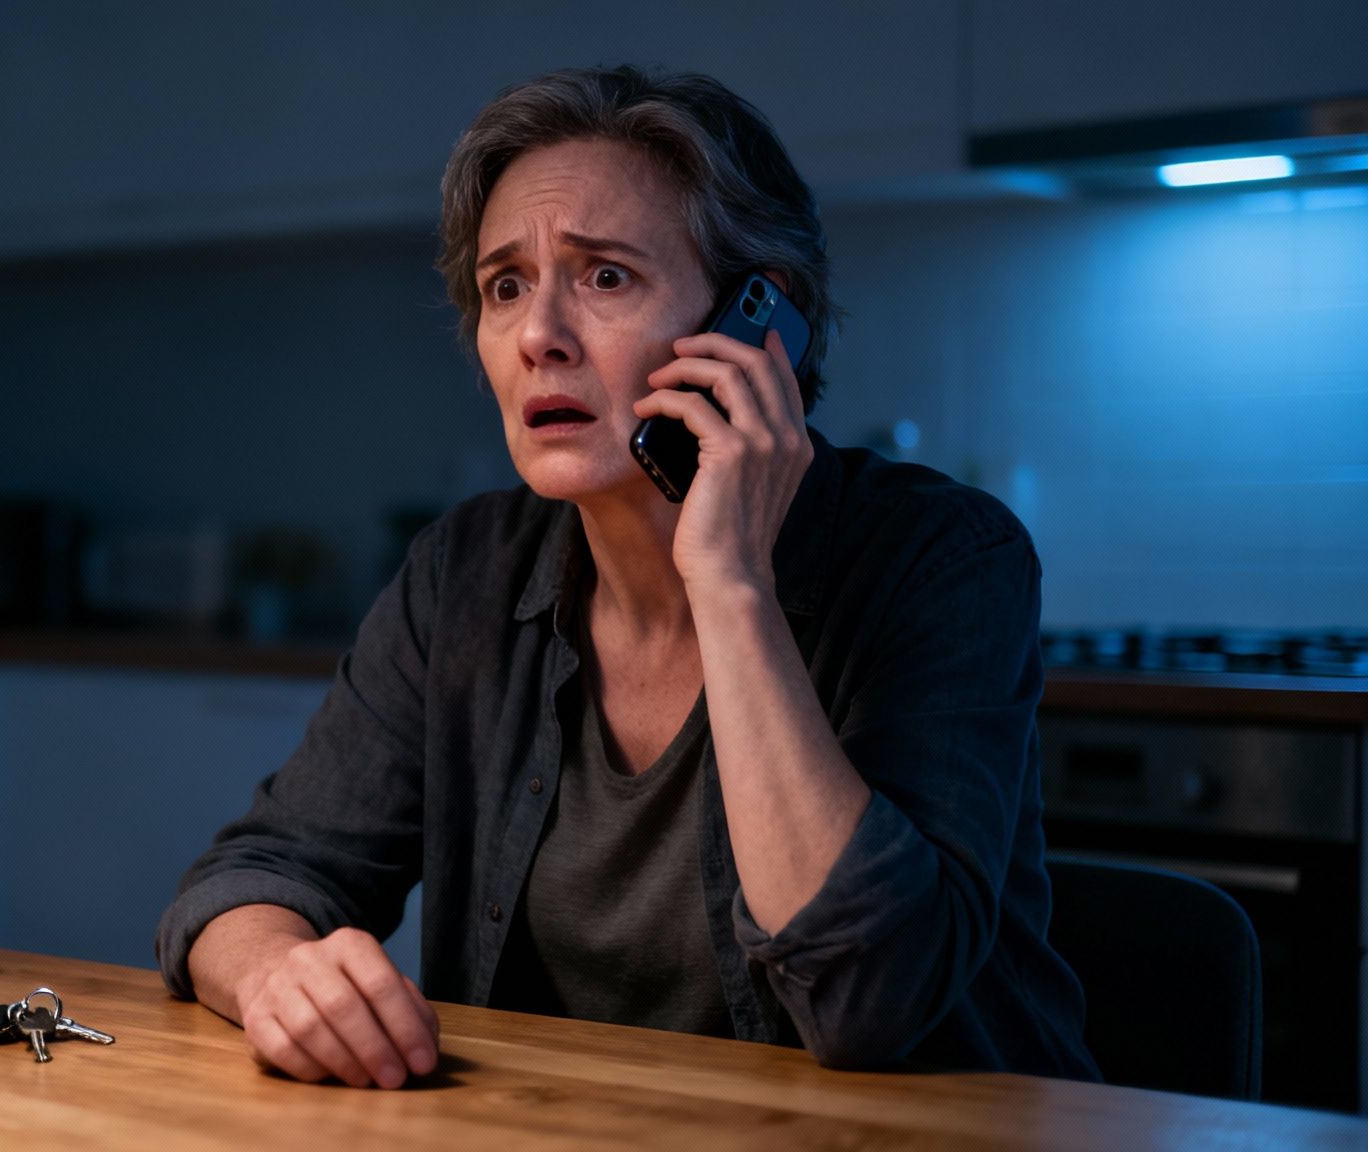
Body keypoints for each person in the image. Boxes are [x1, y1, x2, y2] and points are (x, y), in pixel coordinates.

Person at [156, 65, 1099, 1090]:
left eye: (604, 276)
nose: (535, 337)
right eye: (503, 285)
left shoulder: (944, 557)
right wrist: (278, 975)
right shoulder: (463, 573)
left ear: (756, 323)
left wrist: (728, 580)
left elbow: (863, 999)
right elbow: (250, 878)